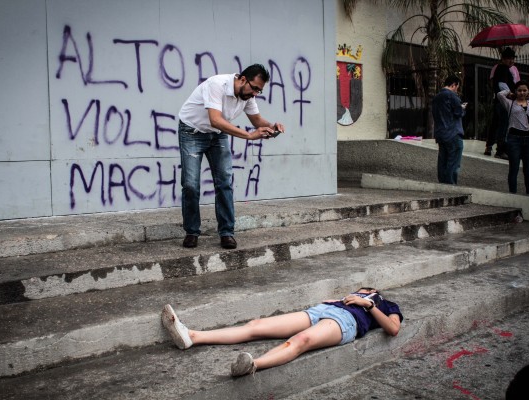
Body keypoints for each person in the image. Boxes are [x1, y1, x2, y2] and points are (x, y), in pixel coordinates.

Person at [161, 287, 403, 377]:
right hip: (321, 311)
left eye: (370, 290)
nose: (366, 290)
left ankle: (253, 365)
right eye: (364, 290)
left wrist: (369, 305)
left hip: (347, 321)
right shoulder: (355, 292)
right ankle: (193, 336)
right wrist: (337, 300)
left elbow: (392, 328)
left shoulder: (386, 304)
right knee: (256, 326)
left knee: (301, 340)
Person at [177, 64, 285, 250]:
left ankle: (227, 233)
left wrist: (272, 126)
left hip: (217, 134)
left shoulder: (247, 95)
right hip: (192, 132)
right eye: (254, 88)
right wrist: (249, 135)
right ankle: (192, 232)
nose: (255, 94)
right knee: (190, 184)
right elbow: (215, 119)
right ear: (242, 79)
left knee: (224, 182)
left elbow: (256, 120)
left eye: (259, 91)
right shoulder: (216, 84)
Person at [497, 81, 529, 195]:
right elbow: (500, 95)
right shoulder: (510, 103)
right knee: (514, 169)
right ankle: (512, 194)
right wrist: (510, 93)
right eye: (519, 90)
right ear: (516, 91)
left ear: (528, 91)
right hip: (514, 140)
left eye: (524, 90)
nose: (522, 93)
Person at [432, 76, 467, 185]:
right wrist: (462, 108)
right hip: (453, 133)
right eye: (457, 87)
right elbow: (458, 113)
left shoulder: (436, 97)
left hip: (441, 134)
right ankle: (450, 186)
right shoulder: (452, 96)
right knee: (453, 163)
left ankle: (442, 185)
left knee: (443, 160)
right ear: (454, 84)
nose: (457, 89)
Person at [485, 48, 518, 159]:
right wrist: (510, 95)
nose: (512, 61)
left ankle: (489, 146)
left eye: (513, 59)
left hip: (499, 101)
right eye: (509, 59)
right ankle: (500, 150)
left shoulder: (501, 68)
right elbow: (502, 85)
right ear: (503, 59)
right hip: (504, 102)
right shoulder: (503, 68)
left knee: (495, 124)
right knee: (503, 126)